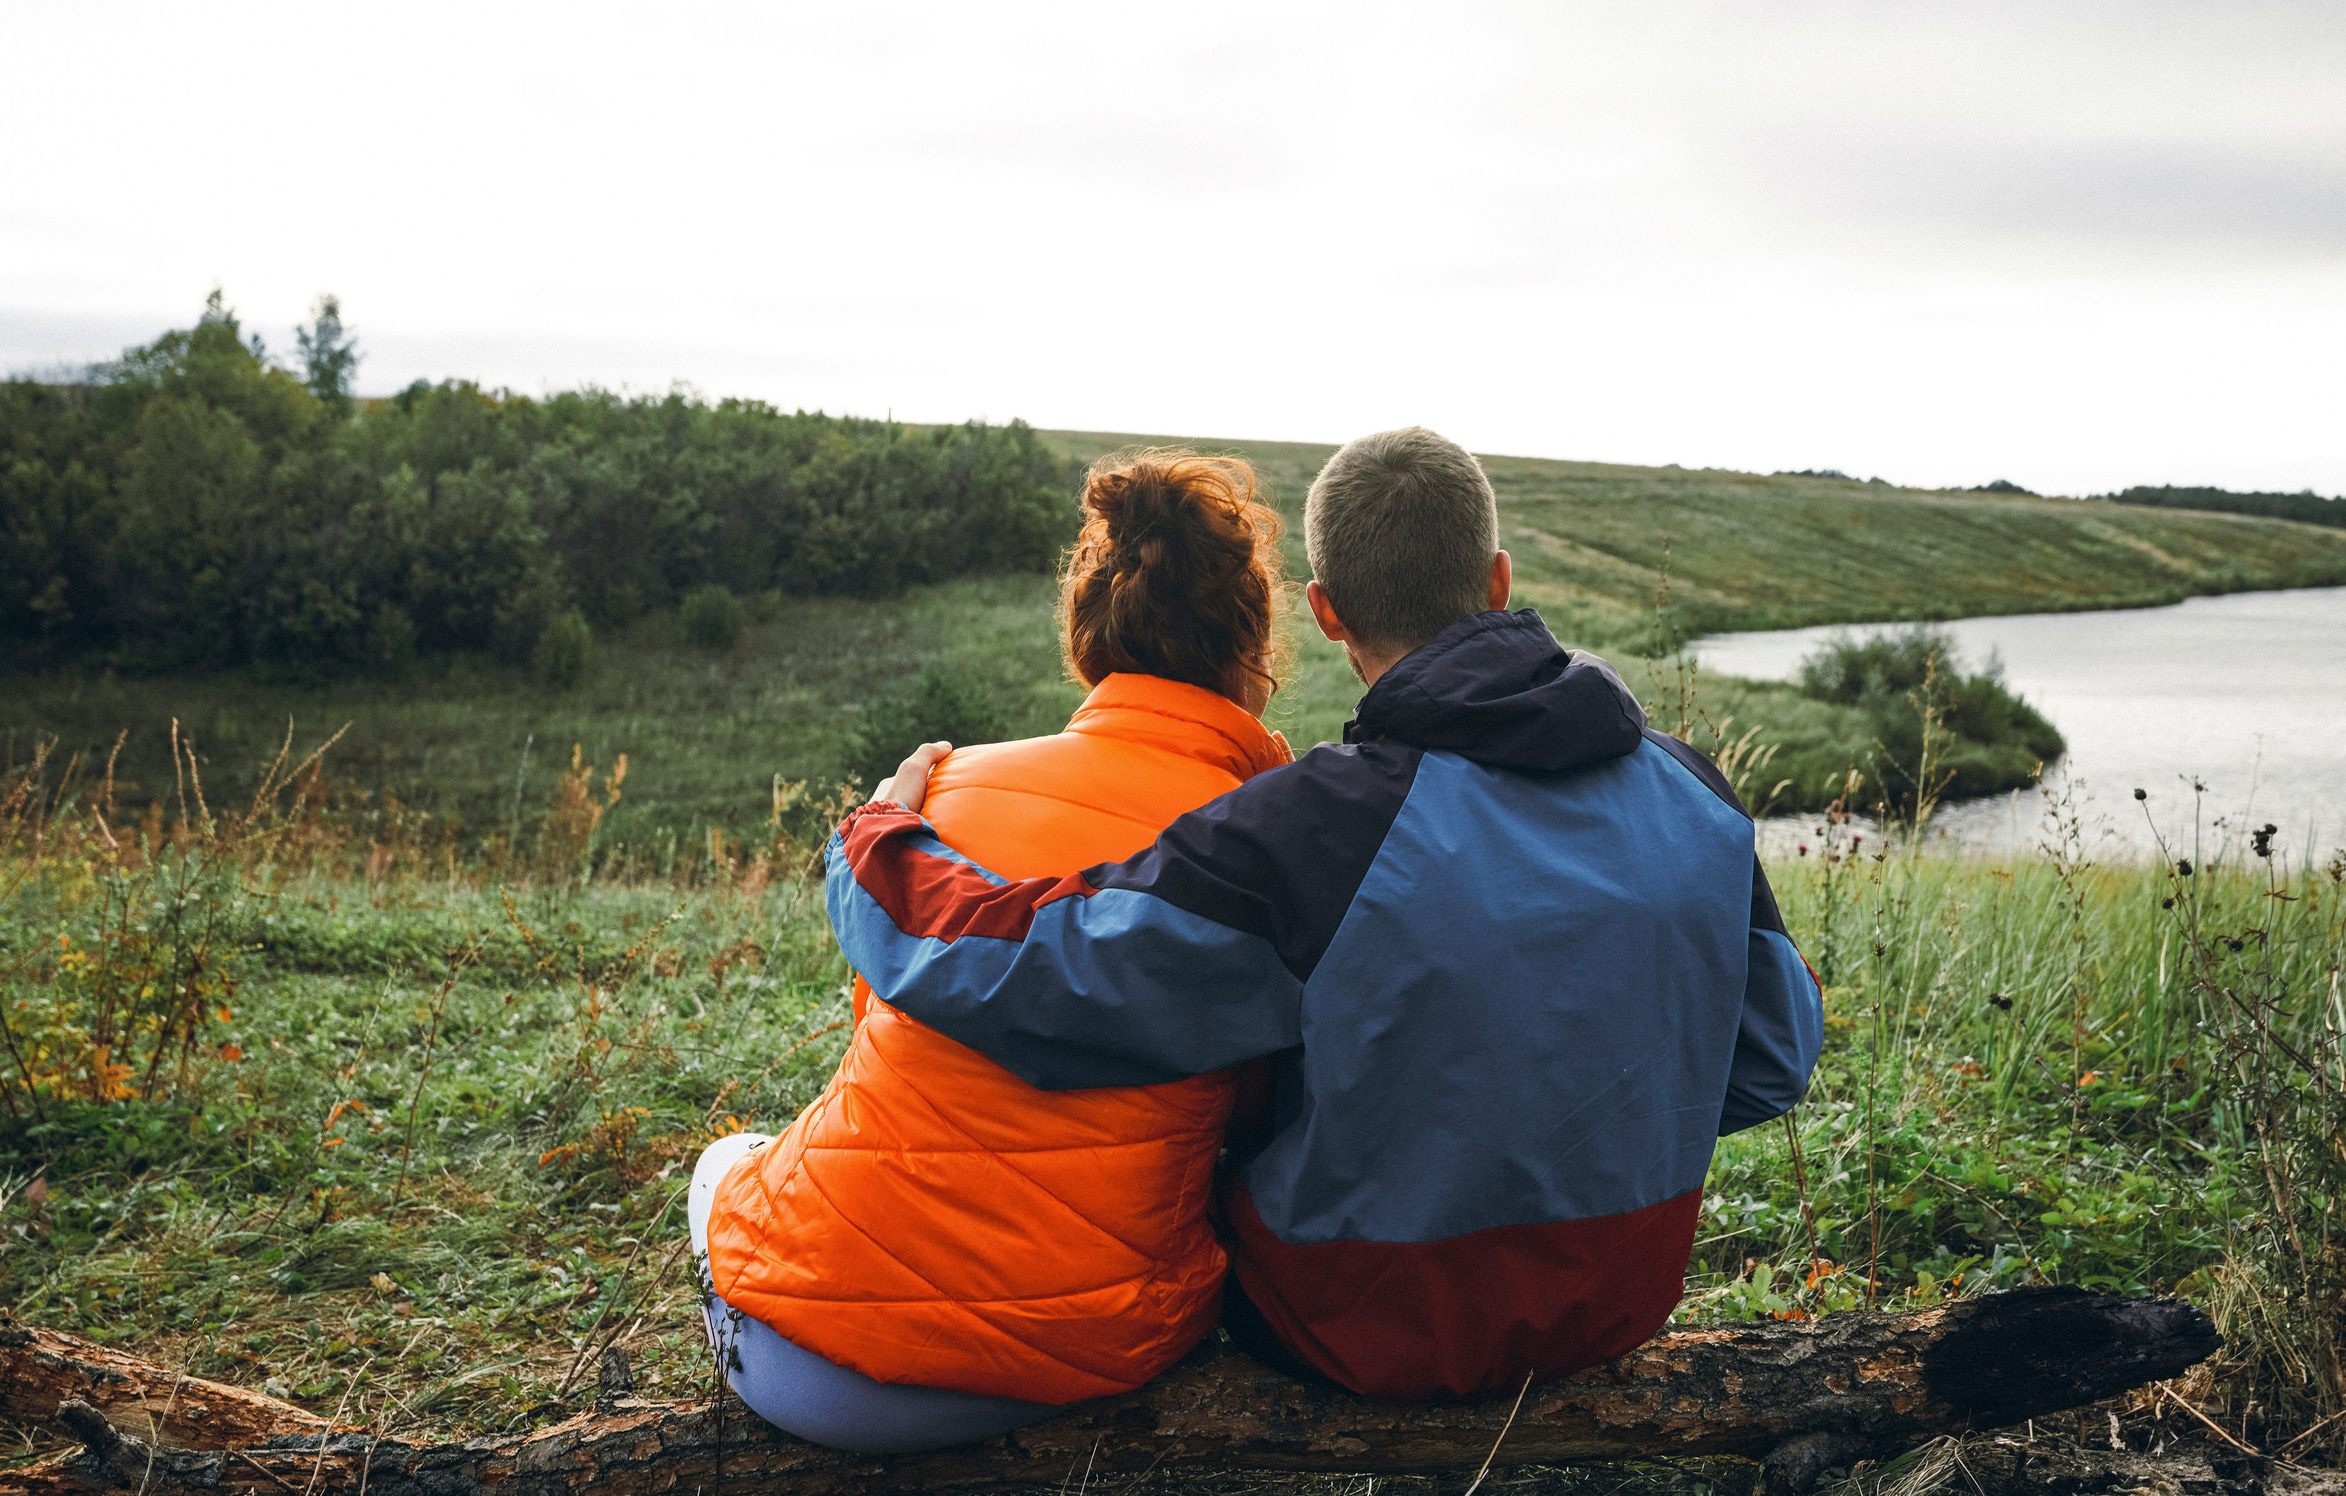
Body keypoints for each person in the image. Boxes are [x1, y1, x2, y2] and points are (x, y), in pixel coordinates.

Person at [836, 426, 1825, 1402]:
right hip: (1619, 1299)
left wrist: (875, 842)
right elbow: (1774, 1055)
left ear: (1325, 610)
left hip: (1357, 1327)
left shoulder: (1319, 828)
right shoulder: (1691, 786)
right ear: (1497, 581)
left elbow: (1044, 975)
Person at [690, 452, 1296, 1451]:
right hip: (1091, 1358)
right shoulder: (1275, 850)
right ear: (1253, 652)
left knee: (724, 1160)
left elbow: (879, 1022)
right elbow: (1256, 1115)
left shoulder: (940, 790)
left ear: (1087, 636)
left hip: (805, 1359)